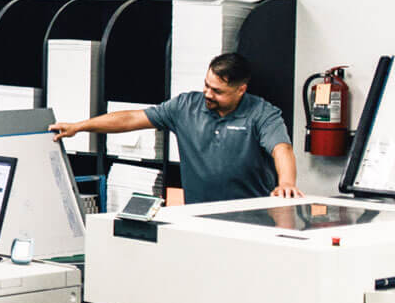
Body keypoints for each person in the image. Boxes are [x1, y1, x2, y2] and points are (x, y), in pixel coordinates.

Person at [49, 52, 299, 203]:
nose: (208, 94)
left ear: (241, 90)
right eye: (206, 85)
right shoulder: (185, 106)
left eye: (217, 91)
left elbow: (281, 149)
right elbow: (130, 119)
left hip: (249, 218)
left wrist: (286, 183)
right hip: (197, 217)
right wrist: (80, 126)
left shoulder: (262, 113)